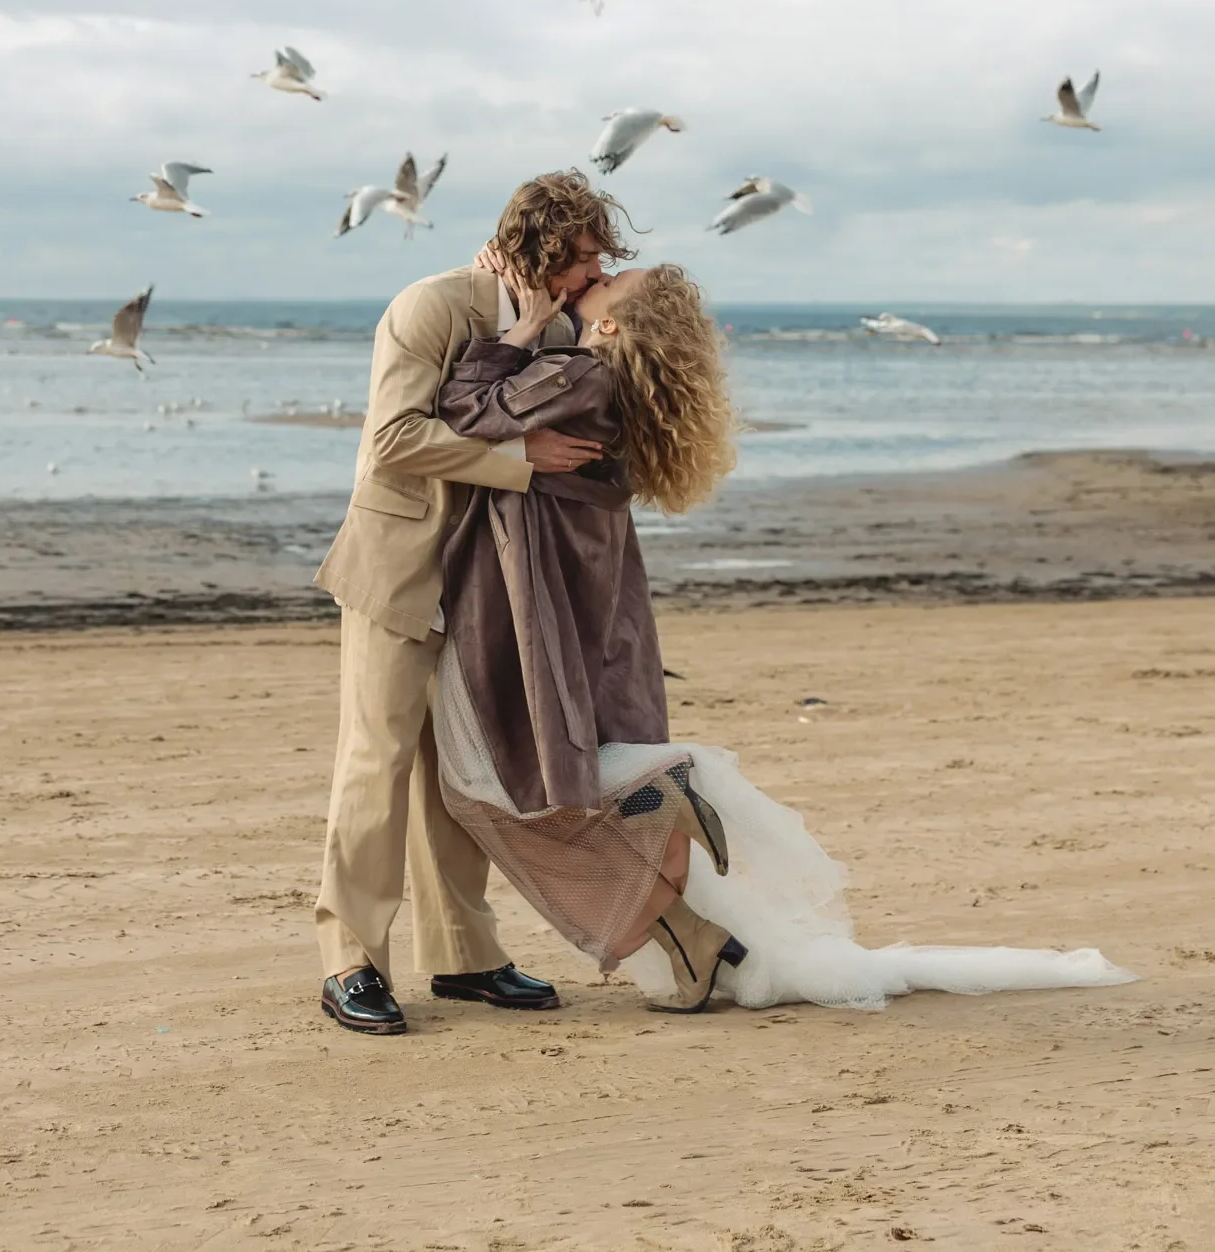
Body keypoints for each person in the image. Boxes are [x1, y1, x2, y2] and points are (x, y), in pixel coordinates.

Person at [432, 257, 1136, 1016]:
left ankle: (656, 787)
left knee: (482, 784)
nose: (587, 282)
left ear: (608, 322)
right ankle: (688, 926)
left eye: (602, 285)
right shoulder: (622, 385)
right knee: (520, 775)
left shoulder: (579, 373)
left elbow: (465, 406)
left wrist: (524, 330)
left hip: (526, 590)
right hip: (575, 587)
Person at [312, 170, 633, 1035]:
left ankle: (462, 953)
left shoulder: (565, 327)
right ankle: (350, 960)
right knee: (377, 761)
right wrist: (518, 458)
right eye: (583, 254)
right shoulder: (430, 306)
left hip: (496, 582)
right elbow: (393, 438)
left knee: (461, 773)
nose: (595, 270)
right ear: (537, 249)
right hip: (399, 565)